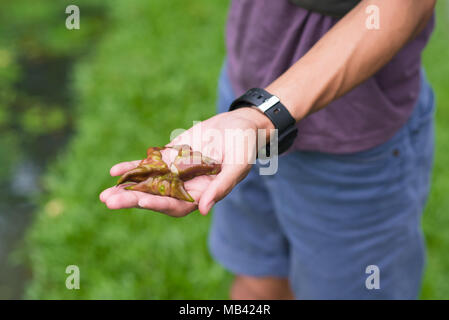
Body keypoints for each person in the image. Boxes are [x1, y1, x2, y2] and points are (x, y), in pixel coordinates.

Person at [100, 0, 436, 299]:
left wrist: (261, 117)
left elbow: (405, 5)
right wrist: (251, 116)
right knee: (258, 281)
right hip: (238, 105)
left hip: (350, 137)